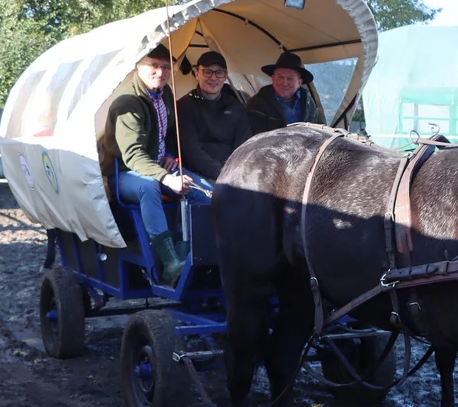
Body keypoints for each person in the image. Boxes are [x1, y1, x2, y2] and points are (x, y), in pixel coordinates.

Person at [102, 42, 211, 285]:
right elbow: (132, 155)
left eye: (165, 67)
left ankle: (198, 257)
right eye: (153, 65)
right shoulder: (127, 102)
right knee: (147, 187)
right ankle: (170, 263)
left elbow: (168, 132)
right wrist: (168, 178)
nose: (160, 72)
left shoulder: (164, 93)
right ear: (138, 67)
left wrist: (170, 153)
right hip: (124, 172)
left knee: (205, 191)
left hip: (158, 168)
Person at [175, 50, 252, 182]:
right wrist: (221, 174)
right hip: (199, 174)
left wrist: (237, 173)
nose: (213, 78)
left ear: (225, 76)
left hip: (234, 173)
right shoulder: (184, 106)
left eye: (219, 72)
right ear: (197, 73)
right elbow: (191, 151)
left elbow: (245, 144)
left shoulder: (236, 106)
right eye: (208, 71)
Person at [245, 51, 324, 134]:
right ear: (273, 78)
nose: (284, 83)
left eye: (290, 78)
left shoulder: (308, 102)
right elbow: (253, 140)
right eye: (280, 77)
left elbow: (319, 130)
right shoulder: (257, 104)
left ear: (299, 82)